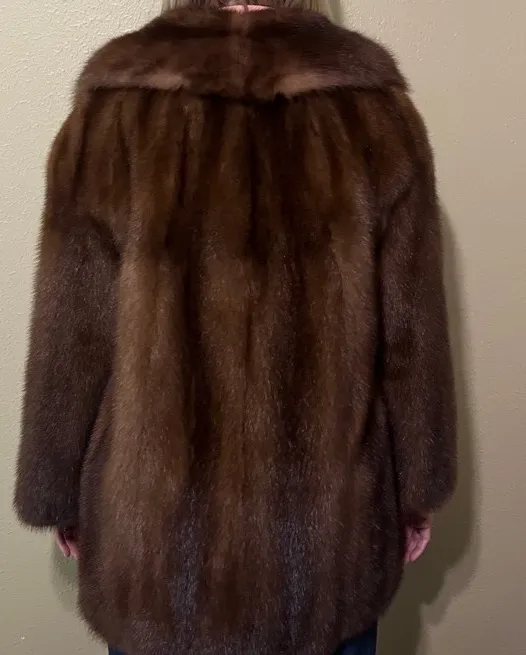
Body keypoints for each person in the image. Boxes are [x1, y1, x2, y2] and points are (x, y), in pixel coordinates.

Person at [14, 1, 457, 654]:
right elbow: (410, 338)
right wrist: (417, 488)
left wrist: (56, 488)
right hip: (327, 541)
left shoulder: (115, 113)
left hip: (159, 545)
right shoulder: (374, 115)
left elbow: (73, 333)